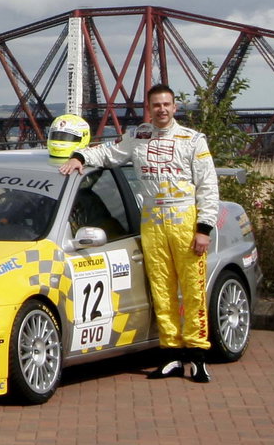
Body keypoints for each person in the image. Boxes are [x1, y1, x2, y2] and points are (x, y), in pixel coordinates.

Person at [57, 84, 219, 383]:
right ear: (149, 108)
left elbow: (208, 186)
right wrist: (80, 156)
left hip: (184, 217)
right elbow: (109, 153)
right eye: (156, 105)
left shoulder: (193, 140)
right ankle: (170, 354)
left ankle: (197, 356)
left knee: (193, 289)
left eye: (166, 104)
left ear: (175, 107)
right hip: (152, 219)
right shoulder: (138, 136)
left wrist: (204, 228)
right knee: (161, 289)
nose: (161, 110)